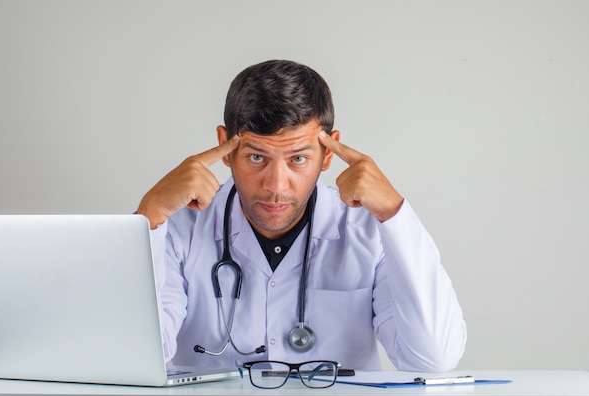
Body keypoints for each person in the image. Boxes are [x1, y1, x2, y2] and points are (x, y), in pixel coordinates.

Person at [137, 60, 466, 371]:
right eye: (256, 157)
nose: (276, 185)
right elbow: (136, 356)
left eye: (297, 159)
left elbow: (432, 358)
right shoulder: (177, 229)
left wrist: (395, 214)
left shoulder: (369, 230)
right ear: (225, 146)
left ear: (327, 153)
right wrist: (148, 219)